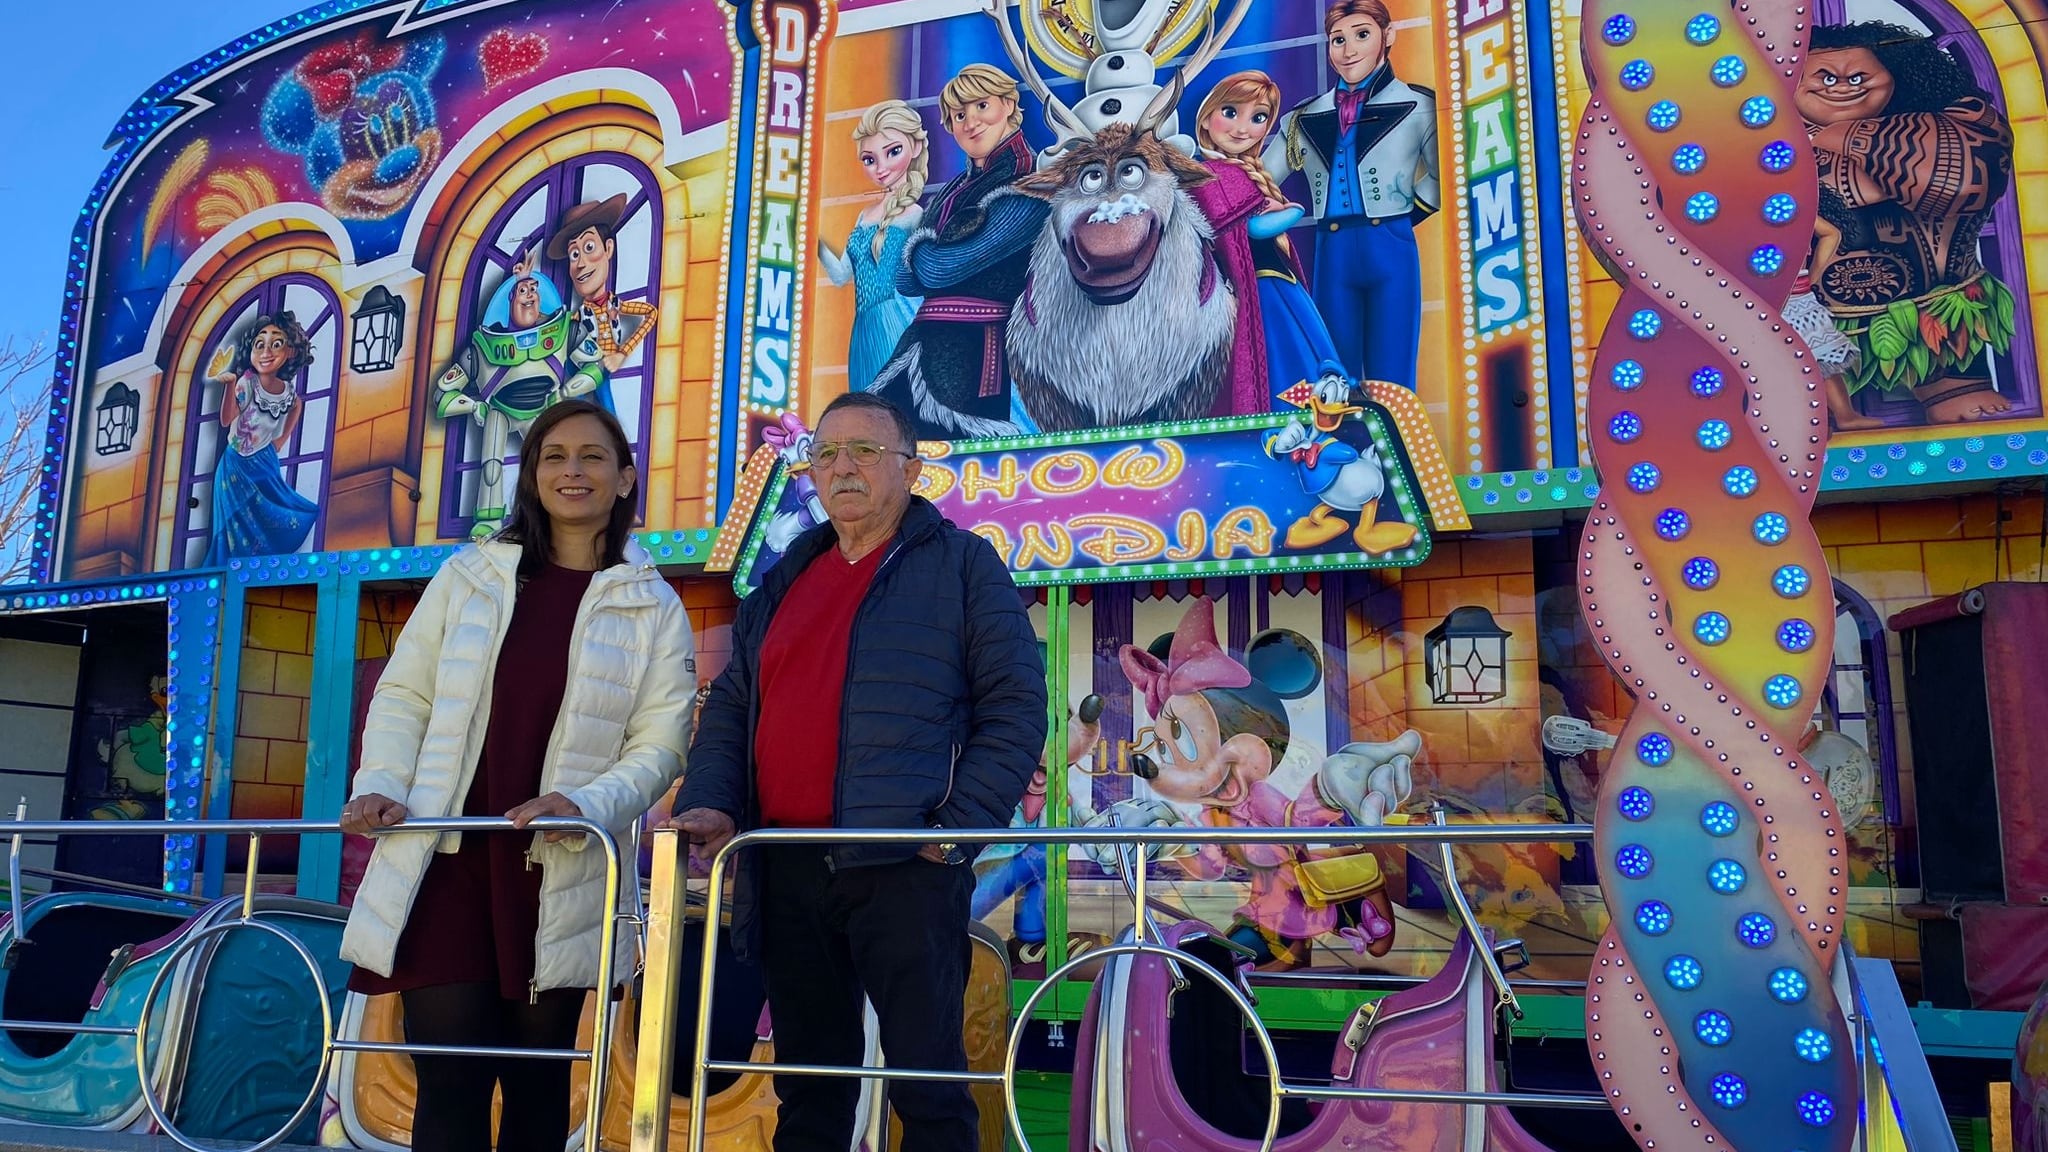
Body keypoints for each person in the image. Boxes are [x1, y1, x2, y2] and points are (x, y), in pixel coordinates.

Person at [667, 390, 1047, 1152]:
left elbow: (1017, 706)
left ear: (910, 467)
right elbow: (733, 708)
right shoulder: (782, 580)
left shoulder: (964, 565)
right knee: (809, 1092)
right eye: (827, 454)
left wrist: (955, 833)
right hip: (784, 867)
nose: (843, 468)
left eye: (866, 452)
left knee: (928, 1090)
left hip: (905, 866)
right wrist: (712, 801)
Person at [338, 399, 695, 1152]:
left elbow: (661, 743)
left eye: (593, 456)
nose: (573, 470)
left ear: (626, 478)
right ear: (531, 475)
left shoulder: (654, 605)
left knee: (536, 1087)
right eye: (553, 455)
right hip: (447, 854)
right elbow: (406, 692)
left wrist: (586, 805)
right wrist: (383, 784)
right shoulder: (468, 576)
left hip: (557, 866)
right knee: (451, 1077)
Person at [1263, 0, 1440, 392]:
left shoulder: (1418, 105)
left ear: (1387, 36)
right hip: (1334, 248)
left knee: (1393, 367)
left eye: (1362, 34)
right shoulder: (1302, 118)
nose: (1349, 49)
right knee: (1333, 367)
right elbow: (1263, 179)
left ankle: (1392, 452)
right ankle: (1344, 450)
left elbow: (1440, 177)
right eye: (1338, 39)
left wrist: (1403, 214)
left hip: (1391, 243)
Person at [865, 64, 1048, 440]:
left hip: (974, 352)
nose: (972, 122)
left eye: (982, 106)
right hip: (921, 341)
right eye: (959, 115)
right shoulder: (953, 190)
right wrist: (926, 255)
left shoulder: (1028, 186)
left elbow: (936, 270)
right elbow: (905, 280)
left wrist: (924, 252)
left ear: (1010, 105)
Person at [818, 98, 930, 390]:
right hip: (863, 328)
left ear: (915, 147)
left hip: (896, 320)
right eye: (869, 159)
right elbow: (842, 275)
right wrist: (814, 243)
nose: (881, 168)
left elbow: (925, 277)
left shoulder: (915, 214)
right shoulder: (863, 215)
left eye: (893, 152)